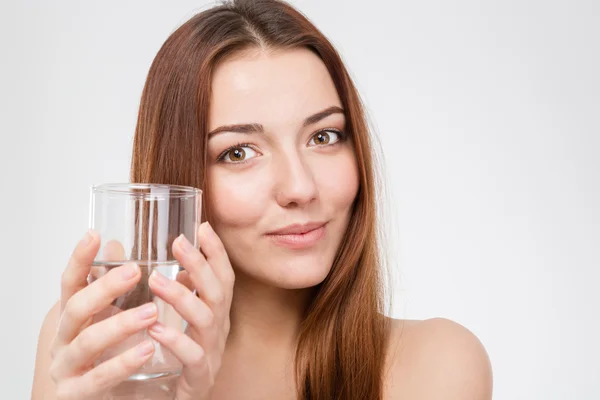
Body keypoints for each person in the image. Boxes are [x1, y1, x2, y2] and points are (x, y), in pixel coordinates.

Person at [32, 0, 493, 398]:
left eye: (324, 135)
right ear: (180, 174)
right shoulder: (100, 341)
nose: (300, 188)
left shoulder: (436, 365)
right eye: (239, 152)